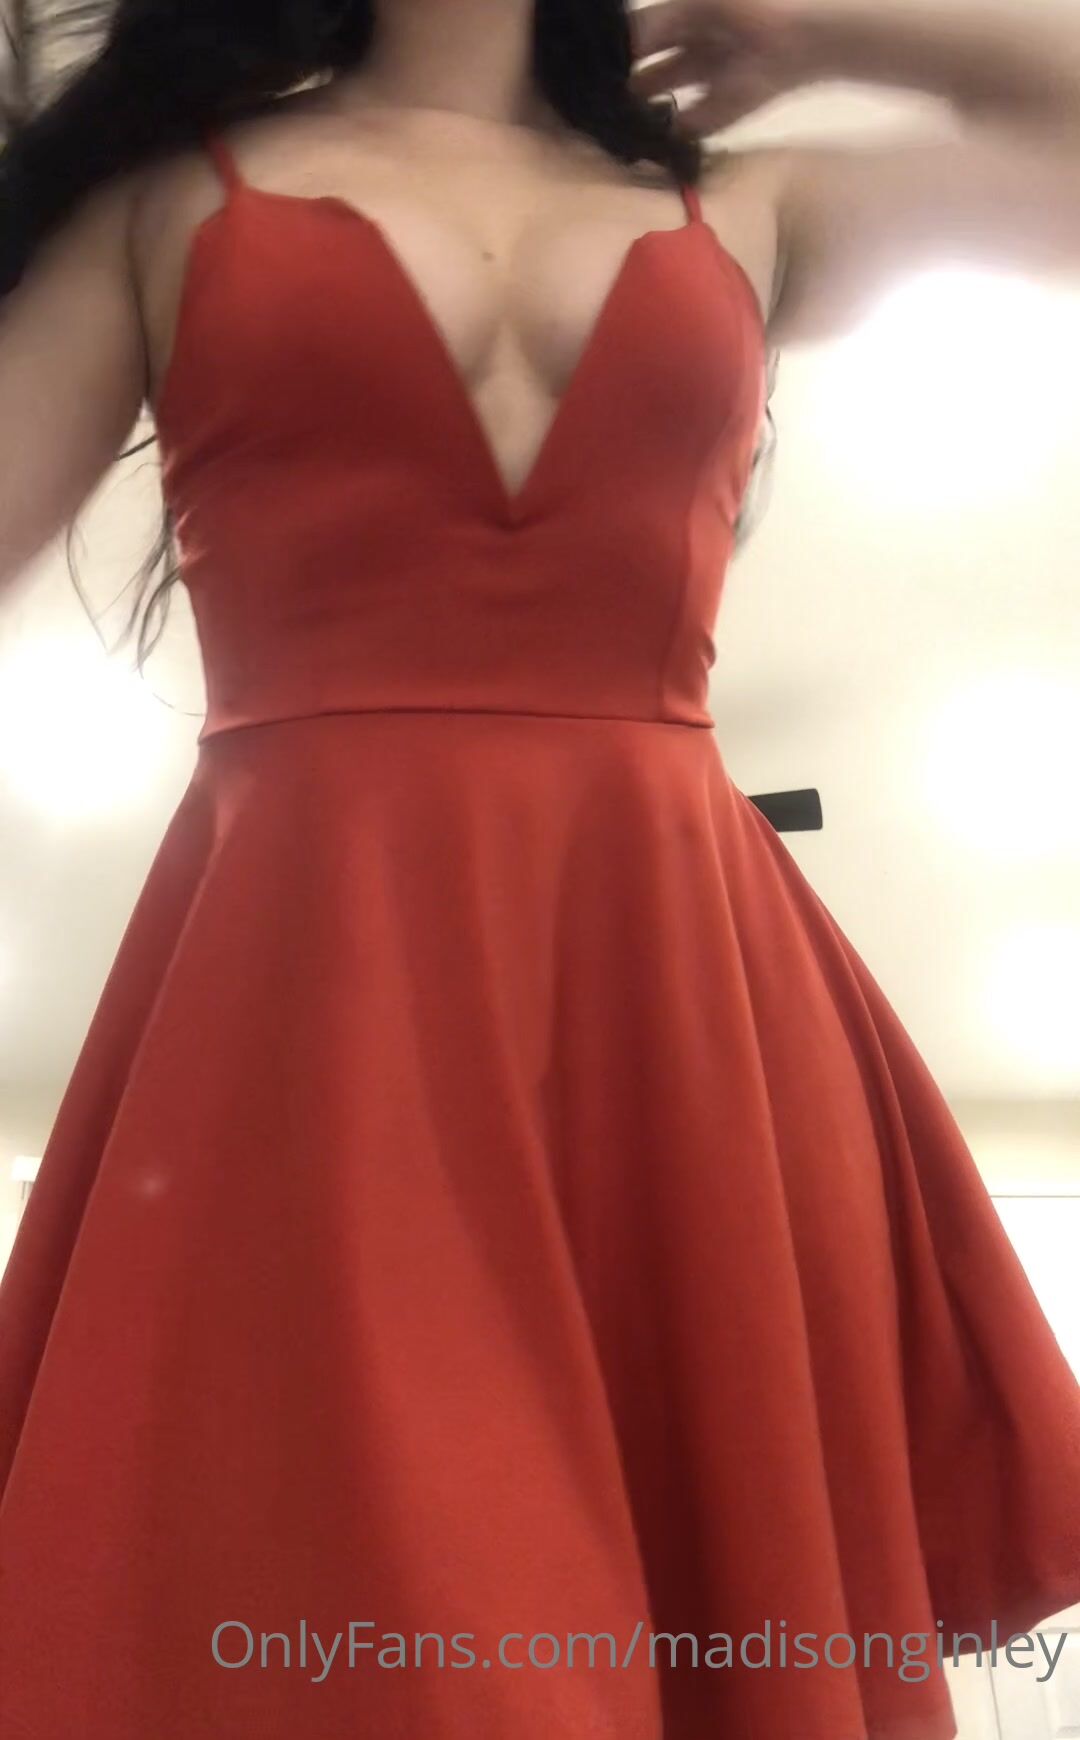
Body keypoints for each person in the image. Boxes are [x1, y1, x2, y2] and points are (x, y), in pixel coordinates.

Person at [1, 1, 1079, 1735]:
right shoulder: (164, 200)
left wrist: (820, 32)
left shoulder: (747, 203)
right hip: (323, 1005)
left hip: (683, 1002)